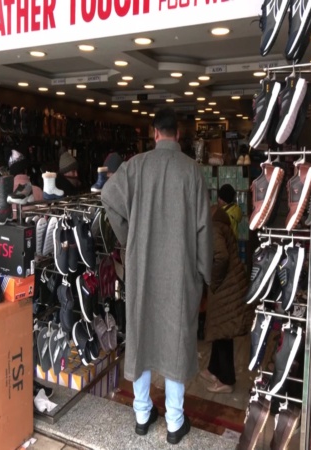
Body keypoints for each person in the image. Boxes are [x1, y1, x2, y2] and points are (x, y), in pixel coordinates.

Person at [101, 107, 213, 445]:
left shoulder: (136, 166)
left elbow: (108, 196)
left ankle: (141, 415)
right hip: (179, 272)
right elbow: (204, 229)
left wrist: (128, 238)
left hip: (143, 268)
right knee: (177, 342)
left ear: (154, 133)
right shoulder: (192, 172)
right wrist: (205, 273)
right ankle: (175, 423)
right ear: (177, 135)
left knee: (142, 336)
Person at [199, 205, 251, 393]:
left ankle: (227, 381)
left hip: (225, 288)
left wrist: (213, 280)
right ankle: (213, 368)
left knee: (223, 333)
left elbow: (221, 257)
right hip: (231, 285)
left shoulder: (213, 229)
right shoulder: (223, 226)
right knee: (220, 331)